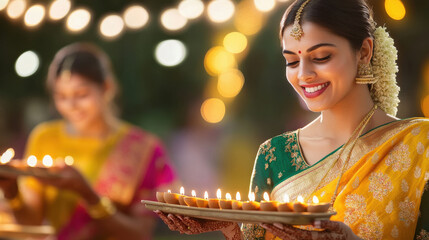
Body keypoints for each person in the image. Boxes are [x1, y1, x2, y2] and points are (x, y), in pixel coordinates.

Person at [155, 0, 429, 239]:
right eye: (292, 62)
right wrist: (230, 228)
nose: (304, 75)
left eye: (321, 57)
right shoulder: (274, 156)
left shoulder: (420, 145)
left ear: (364, 52)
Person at [0, 42, 178, 240]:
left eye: (81, 95)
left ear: (106, 88)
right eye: (61, 97)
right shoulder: (44, 138)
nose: (71, 106)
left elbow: (140, 233)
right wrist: (11, 191)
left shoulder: (143, 148)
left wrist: (87, 194)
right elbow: (31, 223)